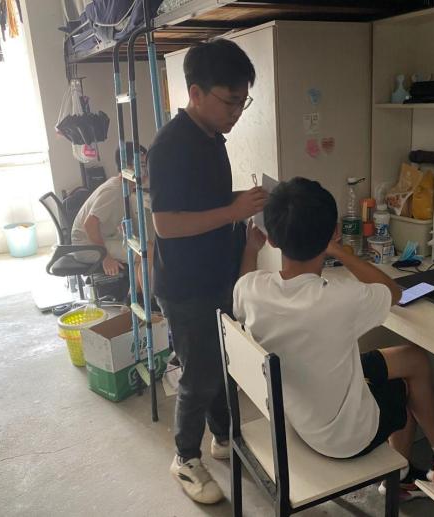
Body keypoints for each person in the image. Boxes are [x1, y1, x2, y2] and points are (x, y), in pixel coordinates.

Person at [233, 177, 434, 501]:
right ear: (334, 232)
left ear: (273, 240)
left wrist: (251, 248)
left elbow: (245, 280)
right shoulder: (340, 299)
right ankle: (402, 479)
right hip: (344, 438)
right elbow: (393, 293)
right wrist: (342, 252)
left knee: (413, 358)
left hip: (297, 411)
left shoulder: (251, 289)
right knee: (401, 390)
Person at [147, 38, 267, 504]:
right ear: (195, 93)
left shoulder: (212, 137)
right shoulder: (170, 146)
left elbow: (206, 203)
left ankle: (223, 436)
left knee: (222, 363)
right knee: (199, 374)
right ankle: (184, 457)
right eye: (230, 101)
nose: (237, 112)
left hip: (218, 273)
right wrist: (233, 210)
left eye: (242, 102)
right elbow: (167, 224)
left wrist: (244, 205)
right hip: (186, 284)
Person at [71, 143, 148, 292]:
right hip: (86, 245)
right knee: (146, 253)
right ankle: (142, 298)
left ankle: (134, 297)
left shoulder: (123, 186)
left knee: (145, 246)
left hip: (96, 239)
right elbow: (89, 224)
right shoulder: (114, 190)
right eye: (142, 165)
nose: (146, 170)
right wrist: (105, 257)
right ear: (128, 167)